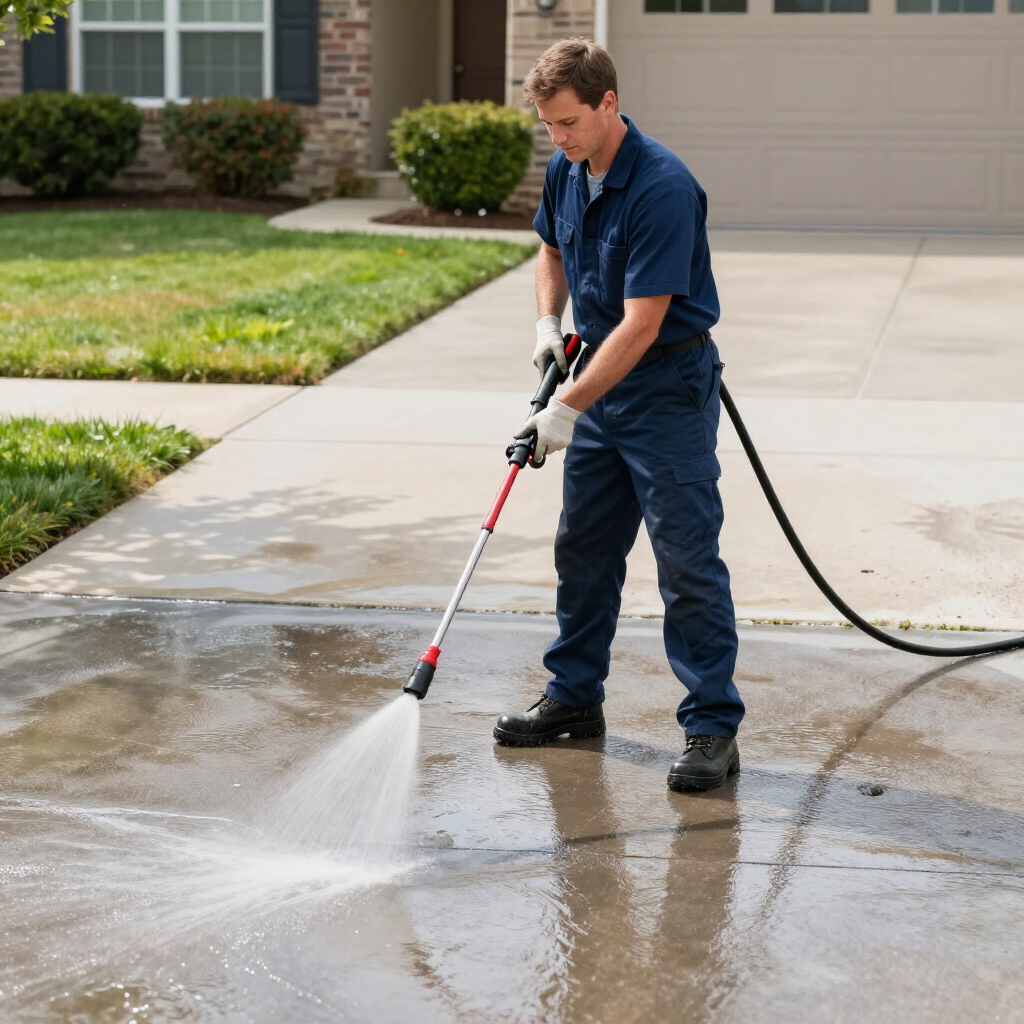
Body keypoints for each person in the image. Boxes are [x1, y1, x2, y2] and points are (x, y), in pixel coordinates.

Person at [492, 37, 745, 792]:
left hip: (664, 388)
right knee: (585, 551)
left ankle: (711, 728)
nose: (559, 139)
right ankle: (573, 699)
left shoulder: (662, 186)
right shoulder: (568, 171)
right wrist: (547, 326)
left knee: (686, 561)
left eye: (568, 122)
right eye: (547, 126)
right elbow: (550, 251)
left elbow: (642, 322)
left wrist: (562, 410)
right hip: (595, 380)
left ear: (608, 102)